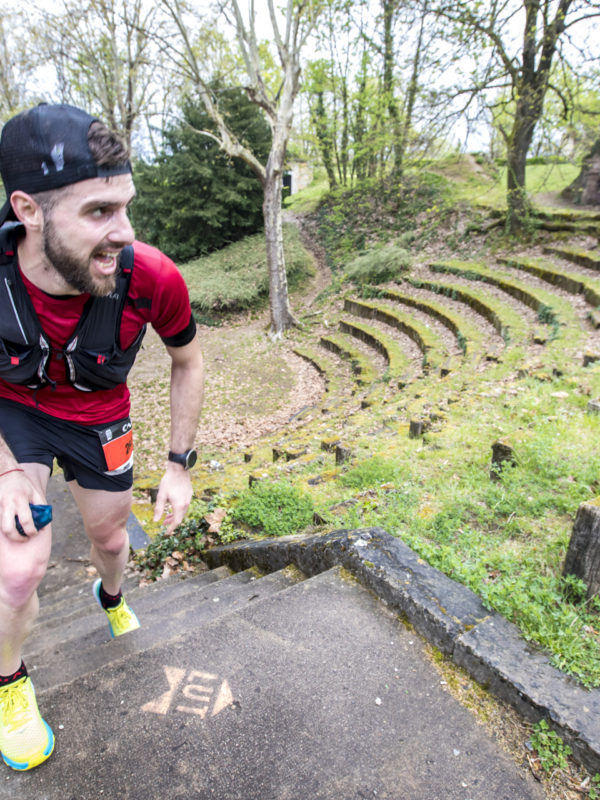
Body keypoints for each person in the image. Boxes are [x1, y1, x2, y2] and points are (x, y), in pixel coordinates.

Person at [0, 103, 204, 771]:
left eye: (126, 206)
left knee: (111, 539)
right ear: (29, 210)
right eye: (98, 213)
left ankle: (110, 597)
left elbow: (187, 360)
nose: (124, 232)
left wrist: (178, 465)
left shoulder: (151, 276)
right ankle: (11, 688)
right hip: (15, 417)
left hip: (99, 418)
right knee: (18, 567)